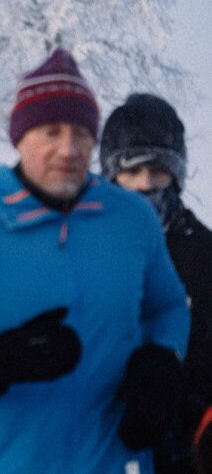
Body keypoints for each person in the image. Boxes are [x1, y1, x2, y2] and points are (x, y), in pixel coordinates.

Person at [0, 49, 190, 473]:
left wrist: (161, 357)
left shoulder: (131, 219)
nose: (68, 148)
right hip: (6, 461)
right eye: (51, 130)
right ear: (20, 137)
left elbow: (168, 307)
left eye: (82, 133)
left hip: (111, 460)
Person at [100, 93, 212, 472]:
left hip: (186, 450)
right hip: (100, 447)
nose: (147, 183)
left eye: (159, 169)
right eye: (132, 170)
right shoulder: (81, 248)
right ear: (111, 175)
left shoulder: (204, 254)